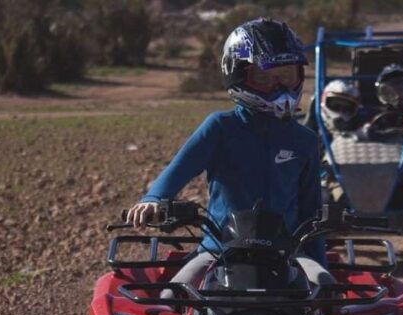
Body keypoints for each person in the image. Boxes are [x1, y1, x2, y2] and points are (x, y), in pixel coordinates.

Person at [125, 18, 331, 289]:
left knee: (326, 290)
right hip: (219, 249)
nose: (279, 87)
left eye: (287, 76)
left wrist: (320, 264)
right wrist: (153, 198)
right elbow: (179, 169)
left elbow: (310, 213)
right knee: (170, 298)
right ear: (237, 74)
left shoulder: (304, 140)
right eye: (264, 77)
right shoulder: (221, 127)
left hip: (288, 252)